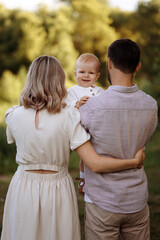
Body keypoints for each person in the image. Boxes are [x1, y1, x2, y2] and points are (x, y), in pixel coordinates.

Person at [1, 55, 145, 240]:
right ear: (59, 80)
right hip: (57, 188)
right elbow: (95, 163)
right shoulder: (69, 116)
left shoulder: (12, 115)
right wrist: (133, 162)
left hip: (22, 188)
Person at [79, 39, 158, 240]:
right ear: (138, 67)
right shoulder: (151, 105)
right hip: (137, 199)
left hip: (102, 200)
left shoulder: (92, 107)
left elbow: (74, 140)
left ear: (109, 63)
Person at [66, 53, 104, 193]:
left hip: (96, 130)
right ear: (75, 74)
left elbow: (104, 106)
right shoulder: (71, 91)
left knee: (97, 157)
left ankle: (96, 180)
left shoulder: (99, 91)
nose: (86, 76)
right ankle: (83, 180)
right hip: (80, 130)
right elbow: (65, 107)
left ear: (97, 76)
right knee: (84, 158)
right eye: (82, 72)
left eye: (91, 73)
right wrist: (77, 104)